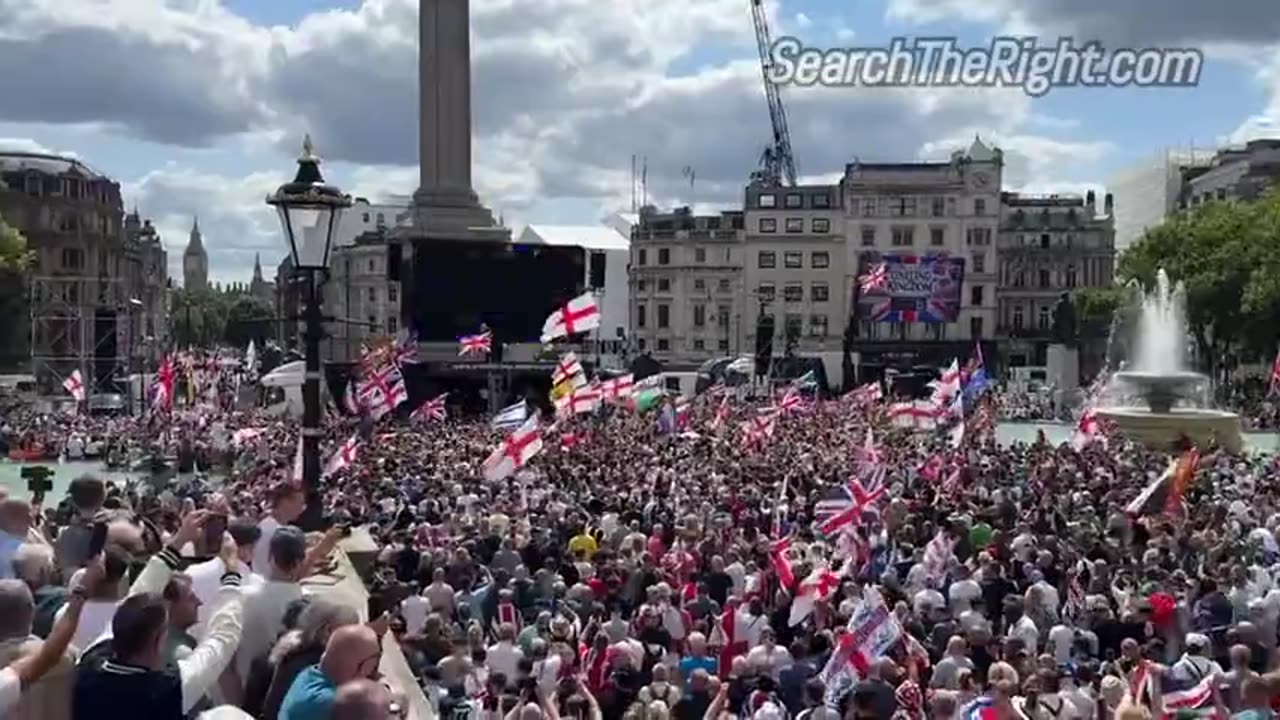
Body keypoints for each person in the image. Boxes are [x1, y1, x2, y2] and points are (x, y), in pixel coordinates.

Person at [72, 513, 246, 718]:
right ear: (159, 640)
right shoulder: (170, 688)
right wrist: (232, 572)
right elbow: (222, 639)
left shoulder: (89, 664)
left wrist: (178, 542)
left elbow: (136, 595)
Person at [278, 624, 382, 720]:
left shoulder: (309, 673)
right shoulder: (331, 703)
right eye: (374, 661)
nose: (372, 669)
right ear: (359, 665)